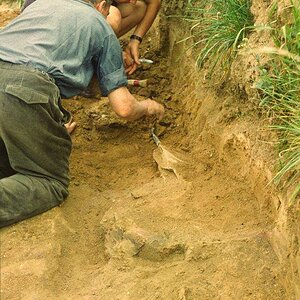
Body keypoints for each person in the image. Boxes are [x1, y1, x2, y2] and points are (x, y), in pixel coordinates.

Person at [0, 0, 164, 227]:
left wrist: (48, 126)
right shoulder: (100, 26)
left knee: (7, 166)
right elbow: (125, 109)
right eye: (110, 11)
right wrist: (149, 106)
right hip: (22, 89)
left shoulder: (40, 4)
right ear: (102, 5)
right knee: (48, 181)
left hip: (13, 85)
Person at [21, 0, 161, 75]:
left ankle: (89, 60)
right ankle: (76, 68)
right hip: (44, 23)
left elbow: (154, 1)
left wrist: (135, 41)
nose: (133, 0)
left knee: (138, 7)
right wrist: (111, 52)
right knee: (112, 17)